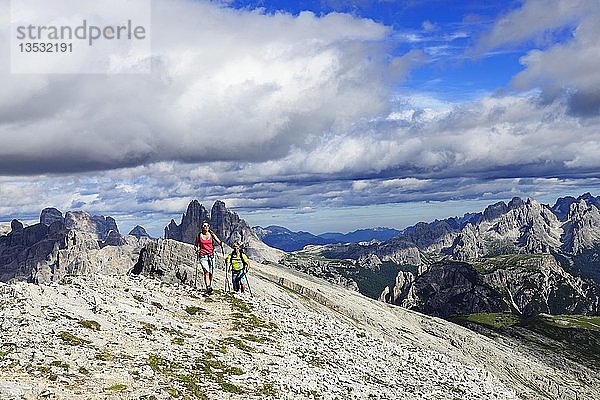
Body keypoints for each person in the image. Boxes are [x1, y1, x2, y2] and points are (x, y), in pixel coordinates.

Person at [194, 220, 223, 294]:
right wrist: (196, 249)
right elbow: (196, 245)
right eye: (204, 226)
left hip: (211, 255)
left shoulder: (211, 234)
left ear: (209, 227)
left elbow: (218, 241)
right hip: (203, 255)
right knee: (206, 271)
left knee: (211, 272)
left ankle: (209, 285)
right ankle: (208, 287)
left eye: (207, 226)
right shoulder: (199, 235)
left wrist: (221, 243)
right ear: (202, 227)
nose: (206, 227)